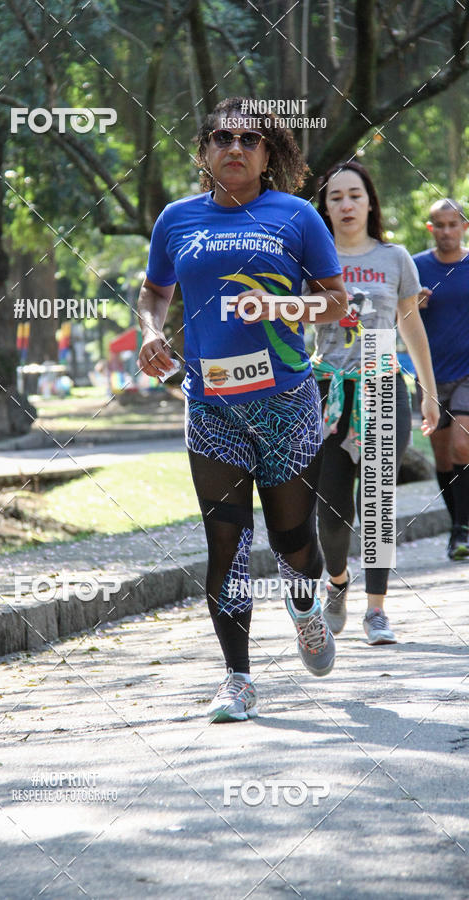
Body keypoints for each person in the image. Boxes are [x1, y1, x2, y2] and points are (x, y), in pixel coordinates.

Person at [137, 97, 347, 723]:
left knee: (293, 542)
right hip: (213, 406)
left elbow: (335, 303)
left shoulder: (296, 216)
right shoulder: (176, 220)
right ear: (203, 150)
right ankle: (238, 678)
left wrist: (282, 309)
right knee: (226, 544)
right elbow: (153, 291)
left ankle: (306, 611)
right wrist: (151, 330)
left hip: (285, 403)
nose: (235, 145)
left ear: (267, 154)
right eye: (221, 136)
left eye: (249, 138)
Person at [312, 161, 440, 645]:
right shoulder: (311, 261)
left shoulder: (395, 258)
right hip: (328, 392)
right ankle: (338, 581)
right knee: (332, 508)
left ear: (370, 203)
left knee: (378, 503)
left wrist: (428, 392)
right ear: (325, 207)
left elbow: (411, 328)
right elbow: (290, 324)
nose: (346, 205)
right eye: (336, 197)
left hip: (383, 386)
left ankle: (378, 610)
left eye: (355, 196)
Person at [413, 199, 469, 560]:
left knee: (462, 445)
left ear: (464, 226)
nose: (447, 231)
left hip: (467, 372)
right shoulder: (416, 267)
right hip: (431, 376)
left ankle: (462, 530)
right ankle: (457, 527)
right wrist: (410, 306)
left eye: (454, 224)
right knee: (443, 459)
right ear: (431, 228)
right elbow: (394, 318)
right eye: (440, 225)